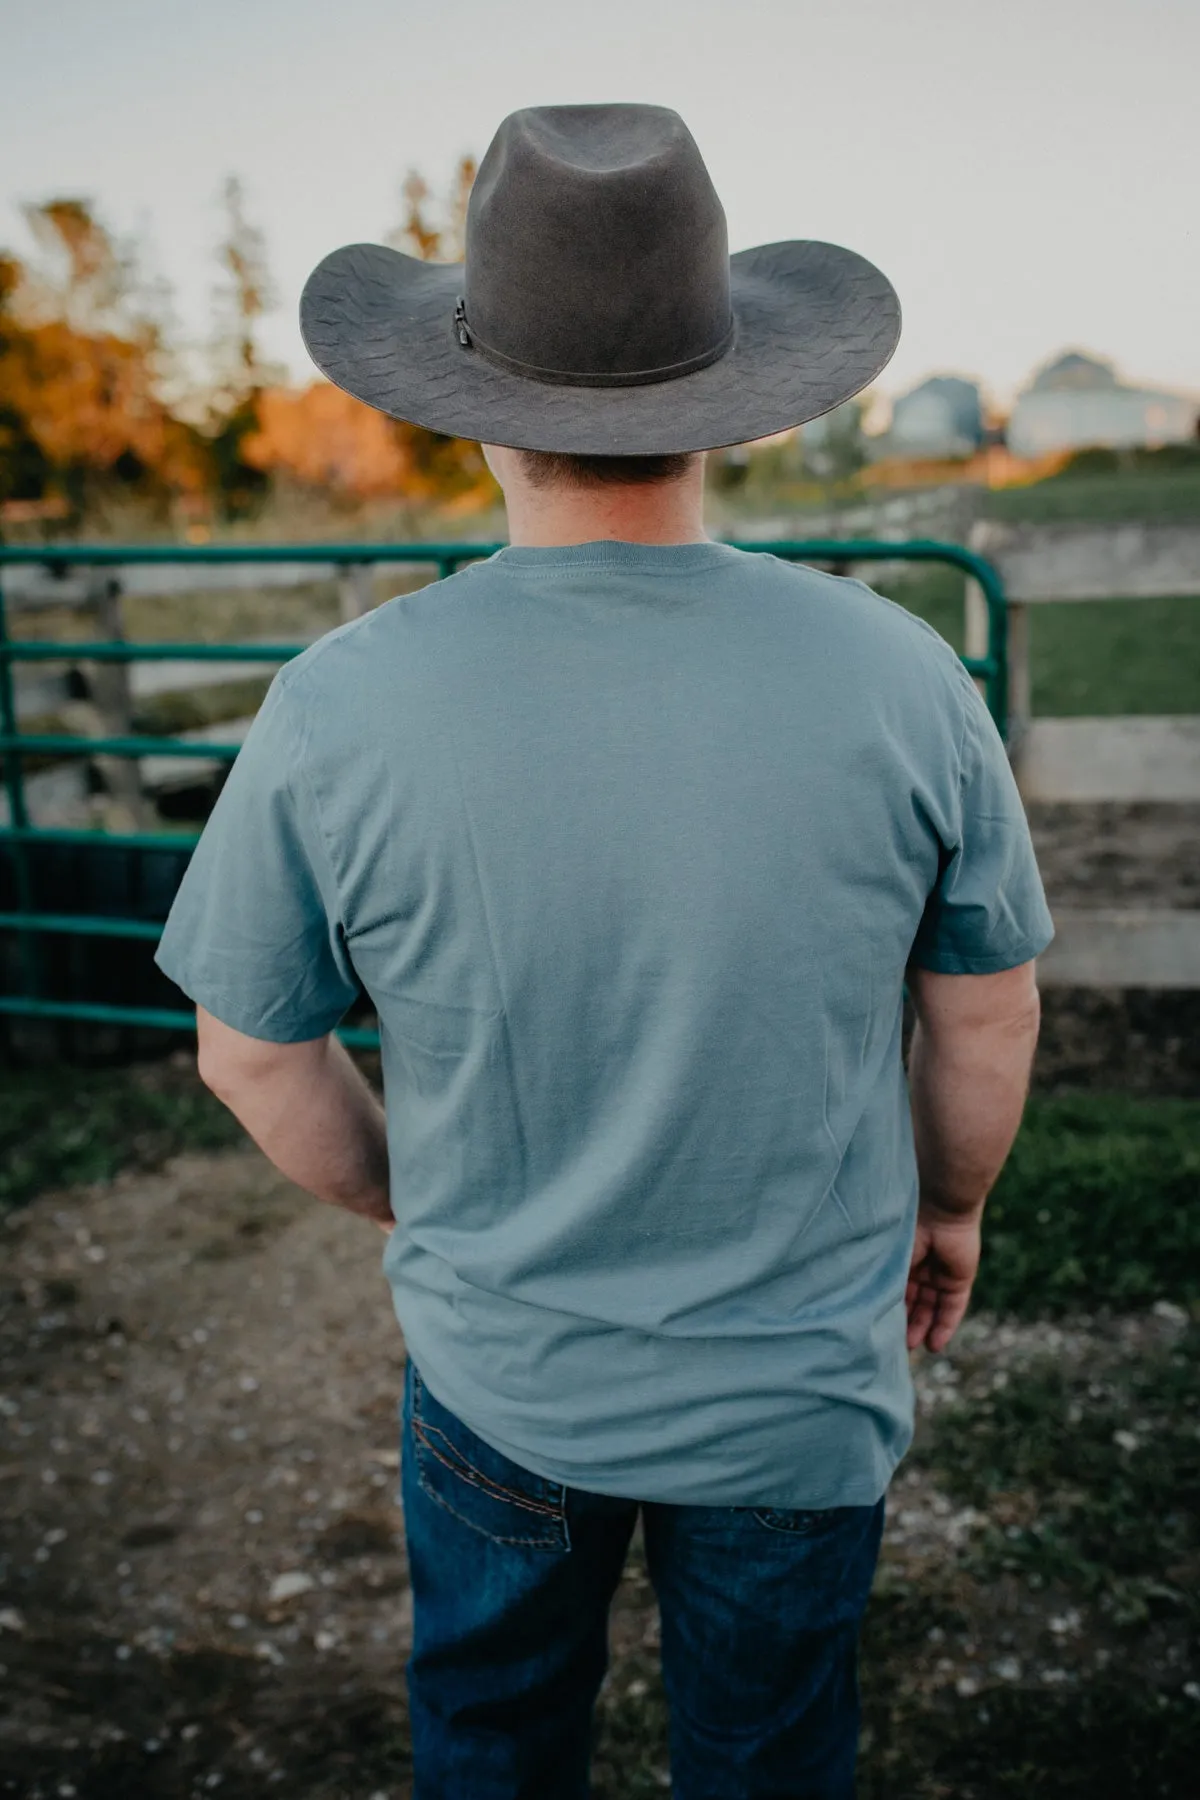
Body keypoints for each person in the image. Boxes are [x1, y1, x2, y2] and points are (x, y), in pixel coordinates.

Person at [154, 103, 1054, 1800]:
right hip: (797, 1397)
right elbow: (988, 1015)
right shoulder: (901, 675)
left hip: (500, 1385)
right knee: (770, 1759)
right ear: (728, 402)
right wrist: (949, 1209)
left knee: (492, 1749)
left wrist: (414, 1202)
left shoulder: (344, 703)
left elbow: (251, 1050)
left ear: (476, 413)